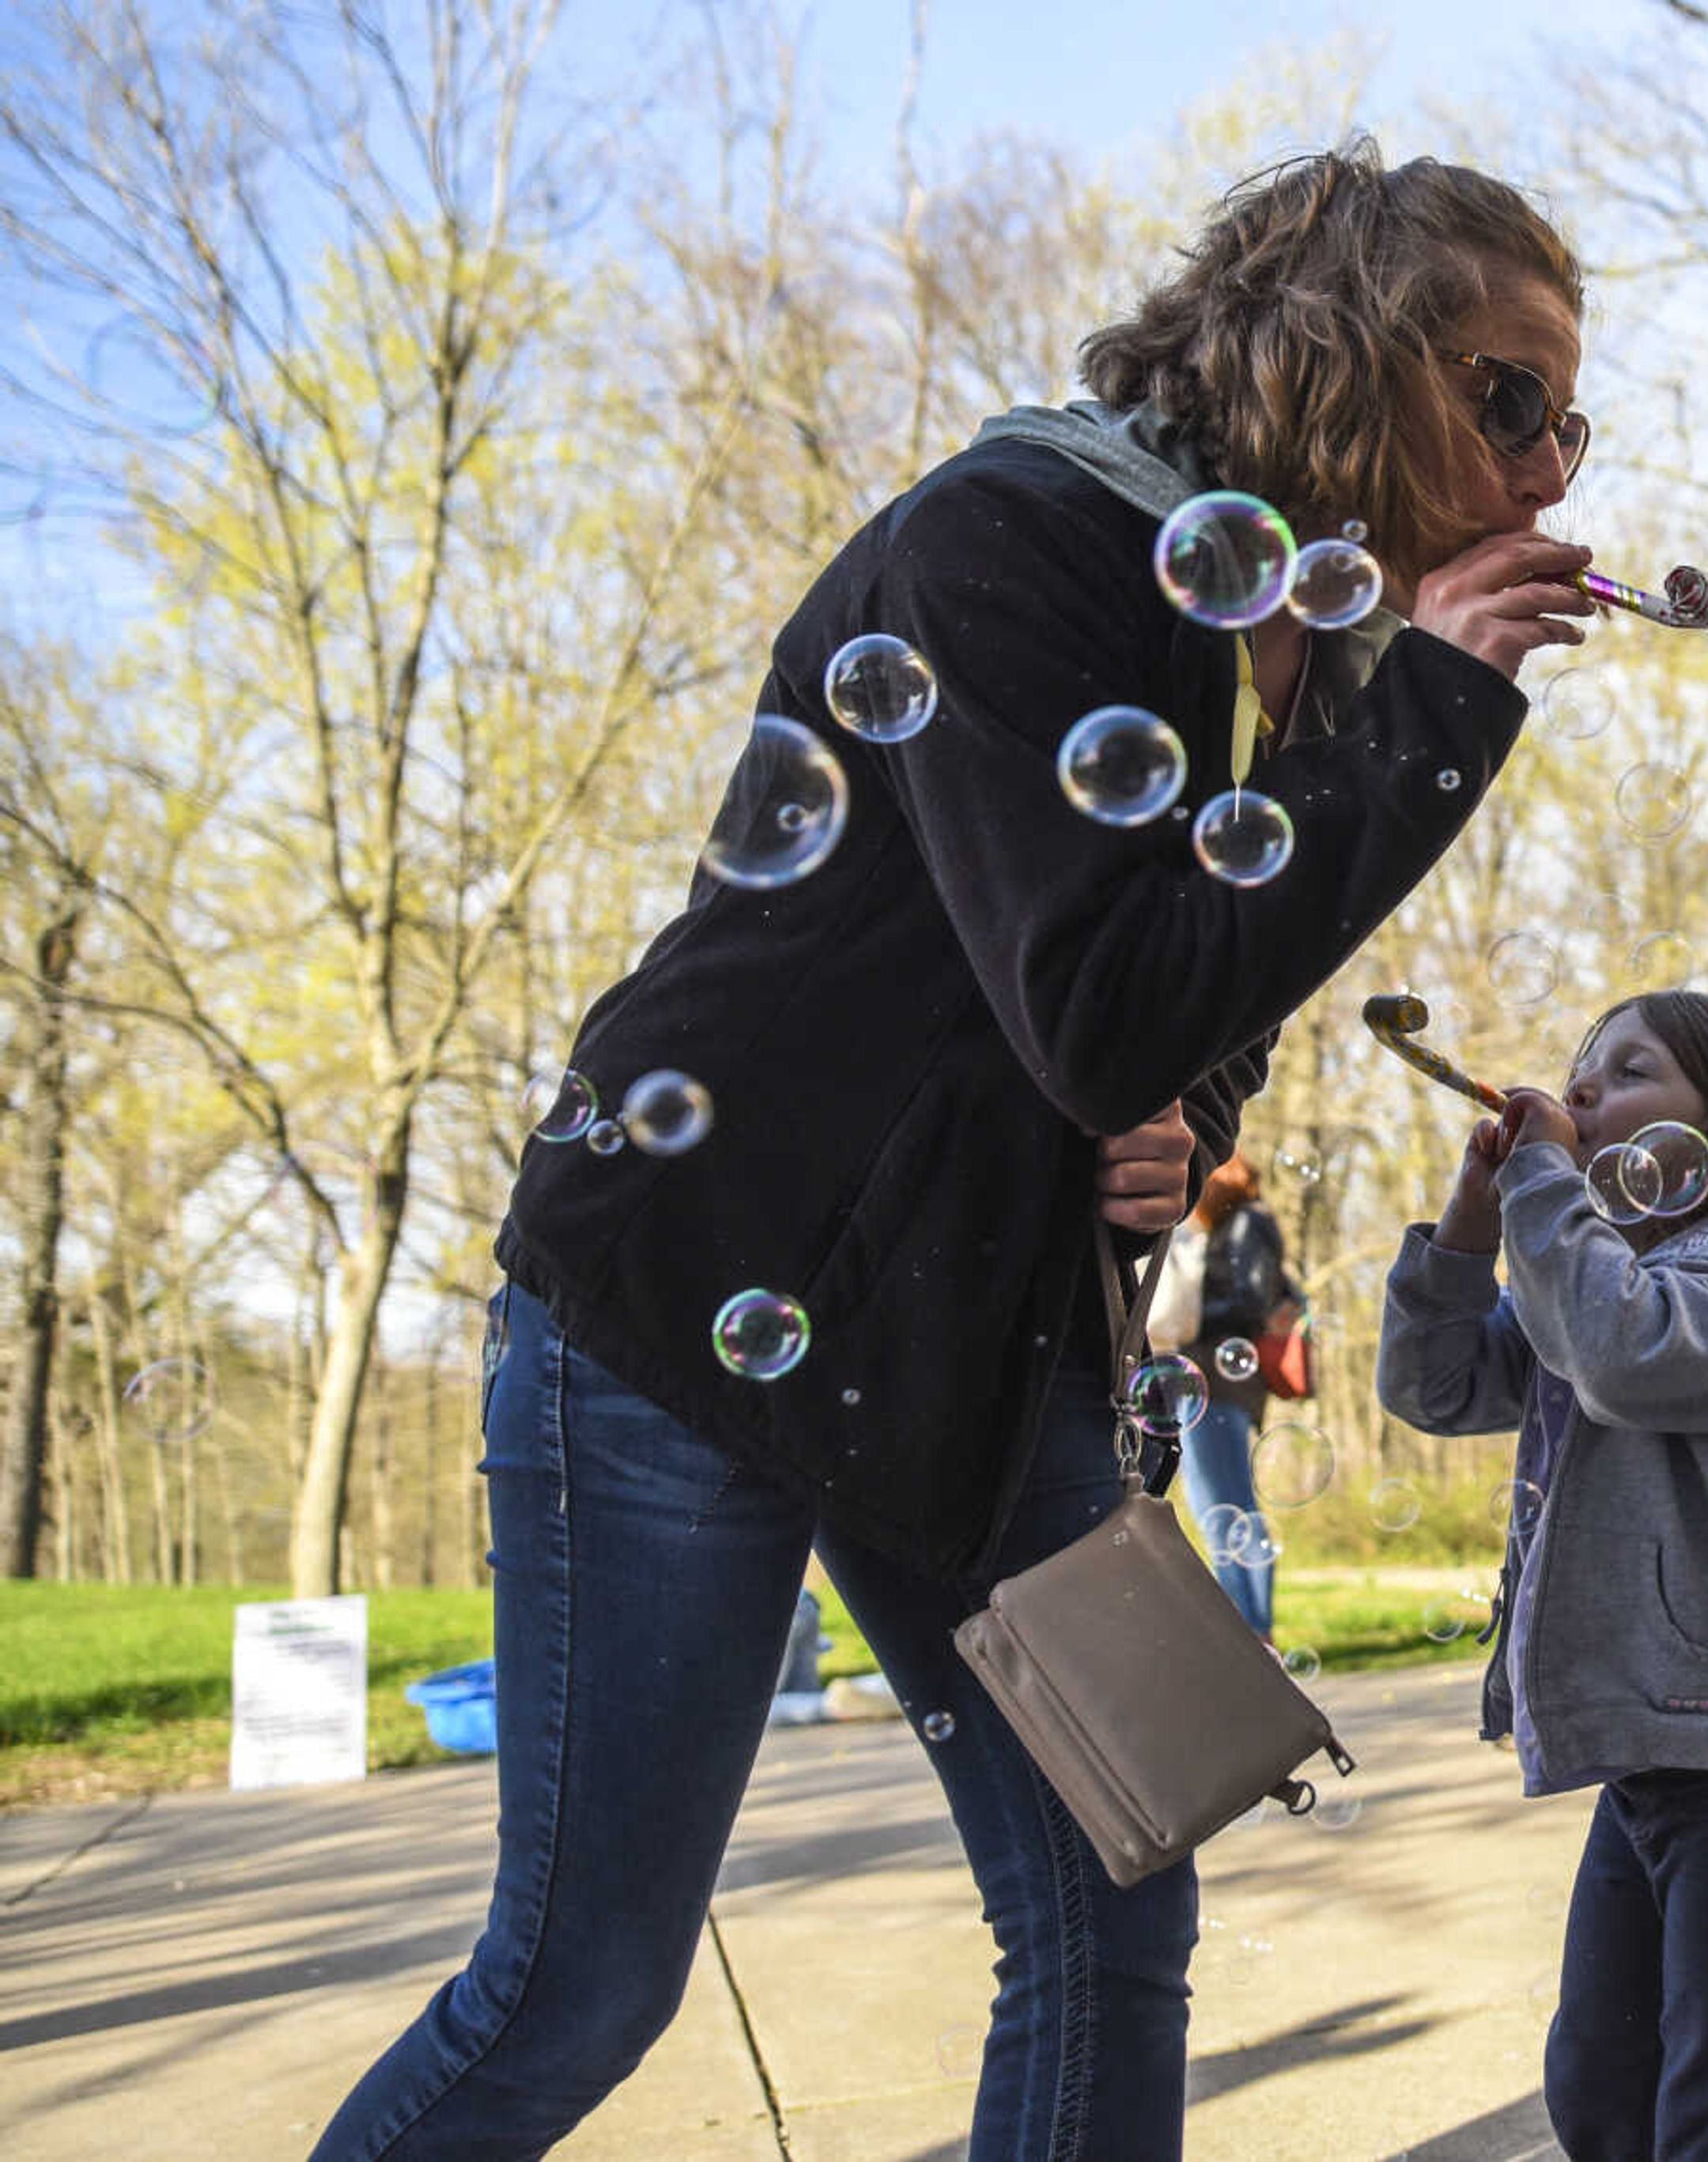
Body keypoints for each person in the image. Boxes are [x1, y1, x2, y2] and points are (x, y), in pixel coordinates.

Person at [316, 141, 1597, 2162]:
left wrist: (1193, 1121)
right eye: (1505, 399)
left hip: (965, 1336)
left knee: (1109, 1899)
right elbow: (1094, 996)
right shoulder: (1015, 539)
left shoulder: (1285, 656)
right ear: (1345, 354)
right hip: (688, 1295)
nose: (1547, 473)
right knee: (584, 1976)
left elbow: (1170, 1019)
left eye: (1567, 416)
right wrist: (1437, 702)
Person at [1377, 989, 1708, 2162]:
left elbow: (1623, 1354)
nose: (1579, 1094)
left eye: (1628, 1072)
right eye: (1578, 1072)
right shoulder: (1603, 1281)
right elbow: (1437, 1386)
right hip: (1656, 1751)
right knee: (1599, 2086)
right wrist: (1472, 1223)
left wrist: (1544, 1190)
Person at [1173, 1149, 1292, 1635]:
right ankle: (1253, 1629)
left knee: (1224, 1511)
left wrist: (1191, 1317)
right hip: (1219, 1384)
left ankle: (1251, 1632)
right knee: (1227, 1511)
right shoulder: (1237, 1227)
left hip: (1216, 1385)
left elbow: (1249, 1300)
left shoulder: (1246, 1223)